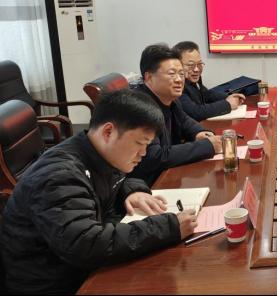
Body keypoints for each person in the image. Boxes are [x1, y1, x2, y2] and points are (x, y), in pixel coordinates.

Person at [0, 90, 198, 294]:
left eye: (147, 145)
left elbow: (113, 181)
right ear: (108, 132)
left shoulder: (97, 151)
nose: (144, 153)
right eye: (140, 143)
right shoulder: (58, 177)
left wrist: (131, 191)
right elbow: (86, 245)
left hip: (82, 269)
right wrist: (169, 227)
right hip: (56, 283)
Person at [132, 44, 221, 185]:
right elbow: (155, 156)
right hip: (149, 185)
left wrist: (200, 133)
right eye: (172, 74)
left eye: (181, 73)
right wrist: (207, 146)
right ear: (149, 77)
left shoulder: (170, 98)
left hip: (170, 175)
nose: (179, 80)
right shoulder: (140, 108)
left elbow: (185, 121)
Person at [172, 41, 245, 121]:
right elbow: (195, 112)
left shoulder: (192, 80)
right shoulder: (177, 85)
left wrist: (230, 97)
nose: (196, 69)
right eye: (190, 65)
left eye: (199, 64)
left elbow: (208, 95)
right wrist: (227, 104)